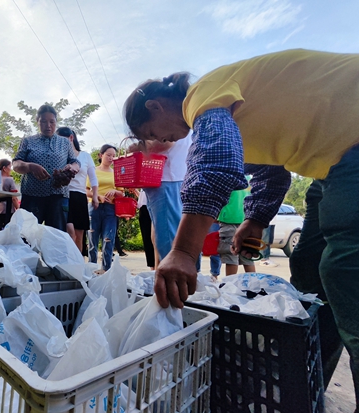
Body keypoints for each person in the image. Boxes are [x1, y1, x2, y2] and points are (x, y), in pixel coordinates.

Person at [123, 49, 359, 406]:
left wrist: (184, 251)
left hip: (350, 144)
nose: (167, 140)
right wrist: (257, 218)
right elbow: (272, 172)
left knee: (346, 271)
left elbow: (216, 161)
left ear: (155, 106)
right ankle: (309, 392)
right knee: (310, 271)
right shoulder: (232, 111)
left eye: (156, 133)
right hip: (330, 162)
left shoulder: (200, 94)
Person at [13, 105, 80, 231]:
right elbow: (16, 164)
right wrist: (30, 166)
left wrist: (72, 167)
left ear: (56, 122)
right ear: (37, 122)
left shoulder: (65, 143)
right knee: (27, 235)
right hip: (32, 195)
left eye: (52, 122)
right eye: (43, 121)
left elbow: (75, 162)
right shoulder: (28, 141)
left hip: (58, 196)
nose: (48, 125)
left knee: (57, 236)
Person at [55, 127, 98, 252]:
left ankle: (78, 264)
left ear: (71, 138)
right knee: (69, 232)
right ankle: (66, 262)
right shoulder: (60, 157)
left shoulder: (85, 156)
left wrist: (94, 196)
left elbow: (93, 178)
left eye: (63, 141)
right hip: (63, 195)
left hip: (79, 196)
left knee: (79, 234)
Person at [87, 144, 123, 272]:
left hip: (111, 208)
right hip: (94, 206)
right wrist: (99, 196)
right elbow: (86, 190)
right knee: (92, 239)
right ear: (100, 155)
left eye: (113, 156)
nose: (111, 158)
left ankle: (106, 269)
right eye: (108, 155)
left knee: (109, 239)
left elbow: (122, 193)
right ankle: (91, 268)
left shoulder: (117, 173)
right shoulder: (93, 171)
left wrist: (114, 191)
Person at [217, 187, 256, 276]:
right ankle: (254, 285)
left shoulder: (229, 175)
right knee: (247, 256)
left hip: (229, 219)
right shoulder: (249, 178)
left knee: (231, 255)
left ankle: (230, 286)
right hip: (246, 220)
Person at [137, 190, 155, 269]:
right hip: (144, 207)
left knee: (156, 239)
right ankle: (153, 268)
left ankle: (157, 268)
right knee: (147, 239)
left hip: (155, 203)